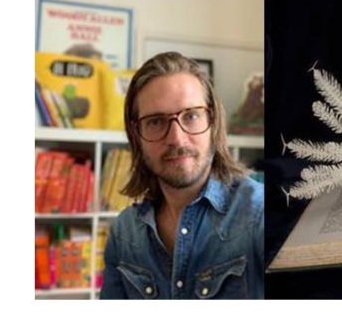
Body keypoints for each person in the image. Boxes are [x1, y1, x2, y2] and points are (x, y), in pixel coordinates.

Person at [100, 52, 263, 299]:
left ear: (213, 121)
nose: (176, 138)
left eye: (191, 115)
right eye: (156, 121)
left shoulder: (260, 214)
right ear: (136, 135)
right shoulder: (124, 233)